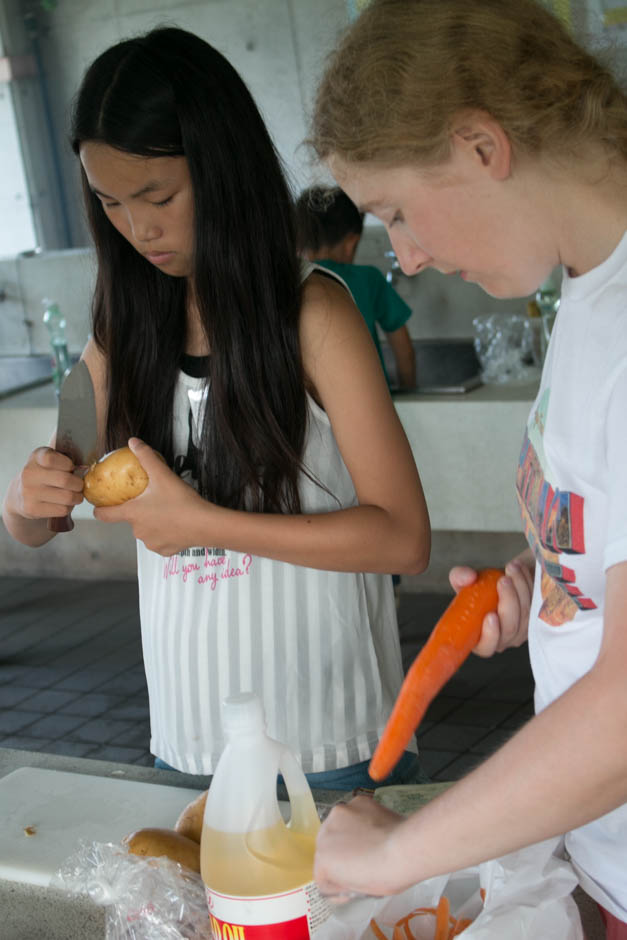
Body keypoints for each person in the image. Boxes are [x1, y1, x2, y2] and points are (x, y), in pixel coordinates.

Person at [1, 27, 431, 792]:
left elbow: (402, 539)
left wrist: (202, 523)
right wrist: (27, 504)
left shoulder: (313, 315)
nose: (139, 229)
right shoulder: (122, 332)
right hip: (188, 745)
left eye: (158, 197)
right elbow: (40, 523)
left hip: (324, 743)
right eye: (110, 205)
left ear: (222, 169)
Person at [310, 0, 627, 931]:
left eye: (397, 214)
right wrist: (563, 589)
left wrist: (395, 852)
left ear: (480, 146)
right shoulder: (585, 288)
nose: (403, 257)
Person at [295, 186, 416, 389]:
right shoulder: (368, 279)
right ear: (352, 242)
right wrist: (409, 390)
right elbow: (403, 348)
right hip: (370, 396)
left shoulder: (290, 282)